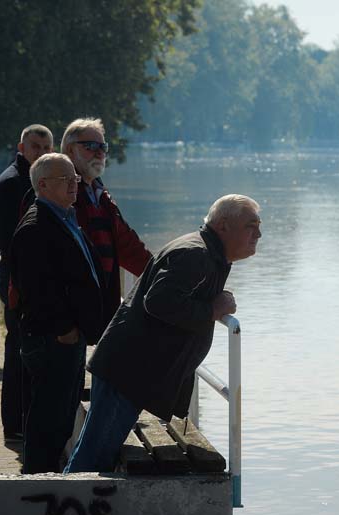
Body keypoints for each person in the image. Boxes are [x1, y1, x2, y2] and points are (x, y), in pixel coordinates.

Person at [65, 194, 261, 473]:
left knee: (95, 454)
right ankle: (57, 513)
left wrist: (214, 301)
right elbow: (158, 301)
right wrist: (211, 309)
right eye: (251, 226)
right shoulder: (197, 254)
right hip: (127, 373)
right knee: (91, 460)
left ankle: (66, 510)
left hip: (130, 371)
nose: (259, 233)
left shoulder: (208, 253)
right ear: (224, 226)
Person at [9, 153, 104, 474]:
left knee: (63, 413)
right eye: (66, 179)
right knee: (49, 415)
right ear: (43, 185)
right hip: (53, 338)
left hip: (69, 336)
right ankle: (37, 478)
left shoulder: (64, 216)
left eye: (75, 178)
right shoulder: (36, 226)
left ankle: (49, 474)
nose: (74, 184)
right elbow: (37, 290)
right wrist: (66, 329)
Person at [0, 124, 54, 441]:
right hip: (17, 280)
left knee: (25, 350)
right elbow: (6, 240)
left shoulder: (39, 181)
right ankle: (14, 425)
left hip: (26, 279)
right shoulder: (13, 183)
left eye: (46, 147)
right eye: (35, 146)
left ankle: (24, 421)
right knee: (18, 351)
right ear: (21, 147)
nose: (41, 152)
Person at [61, 117, 152, 331]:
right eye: (90, 146)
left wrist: (166, 274)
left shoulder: (100, 195)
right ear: (69, 151)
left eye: (103, 146)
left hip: (96, 305)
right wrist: (62, 323)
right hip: (67, 313)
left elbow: (128, 245)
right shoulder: (59, 191)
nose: (99, 152)